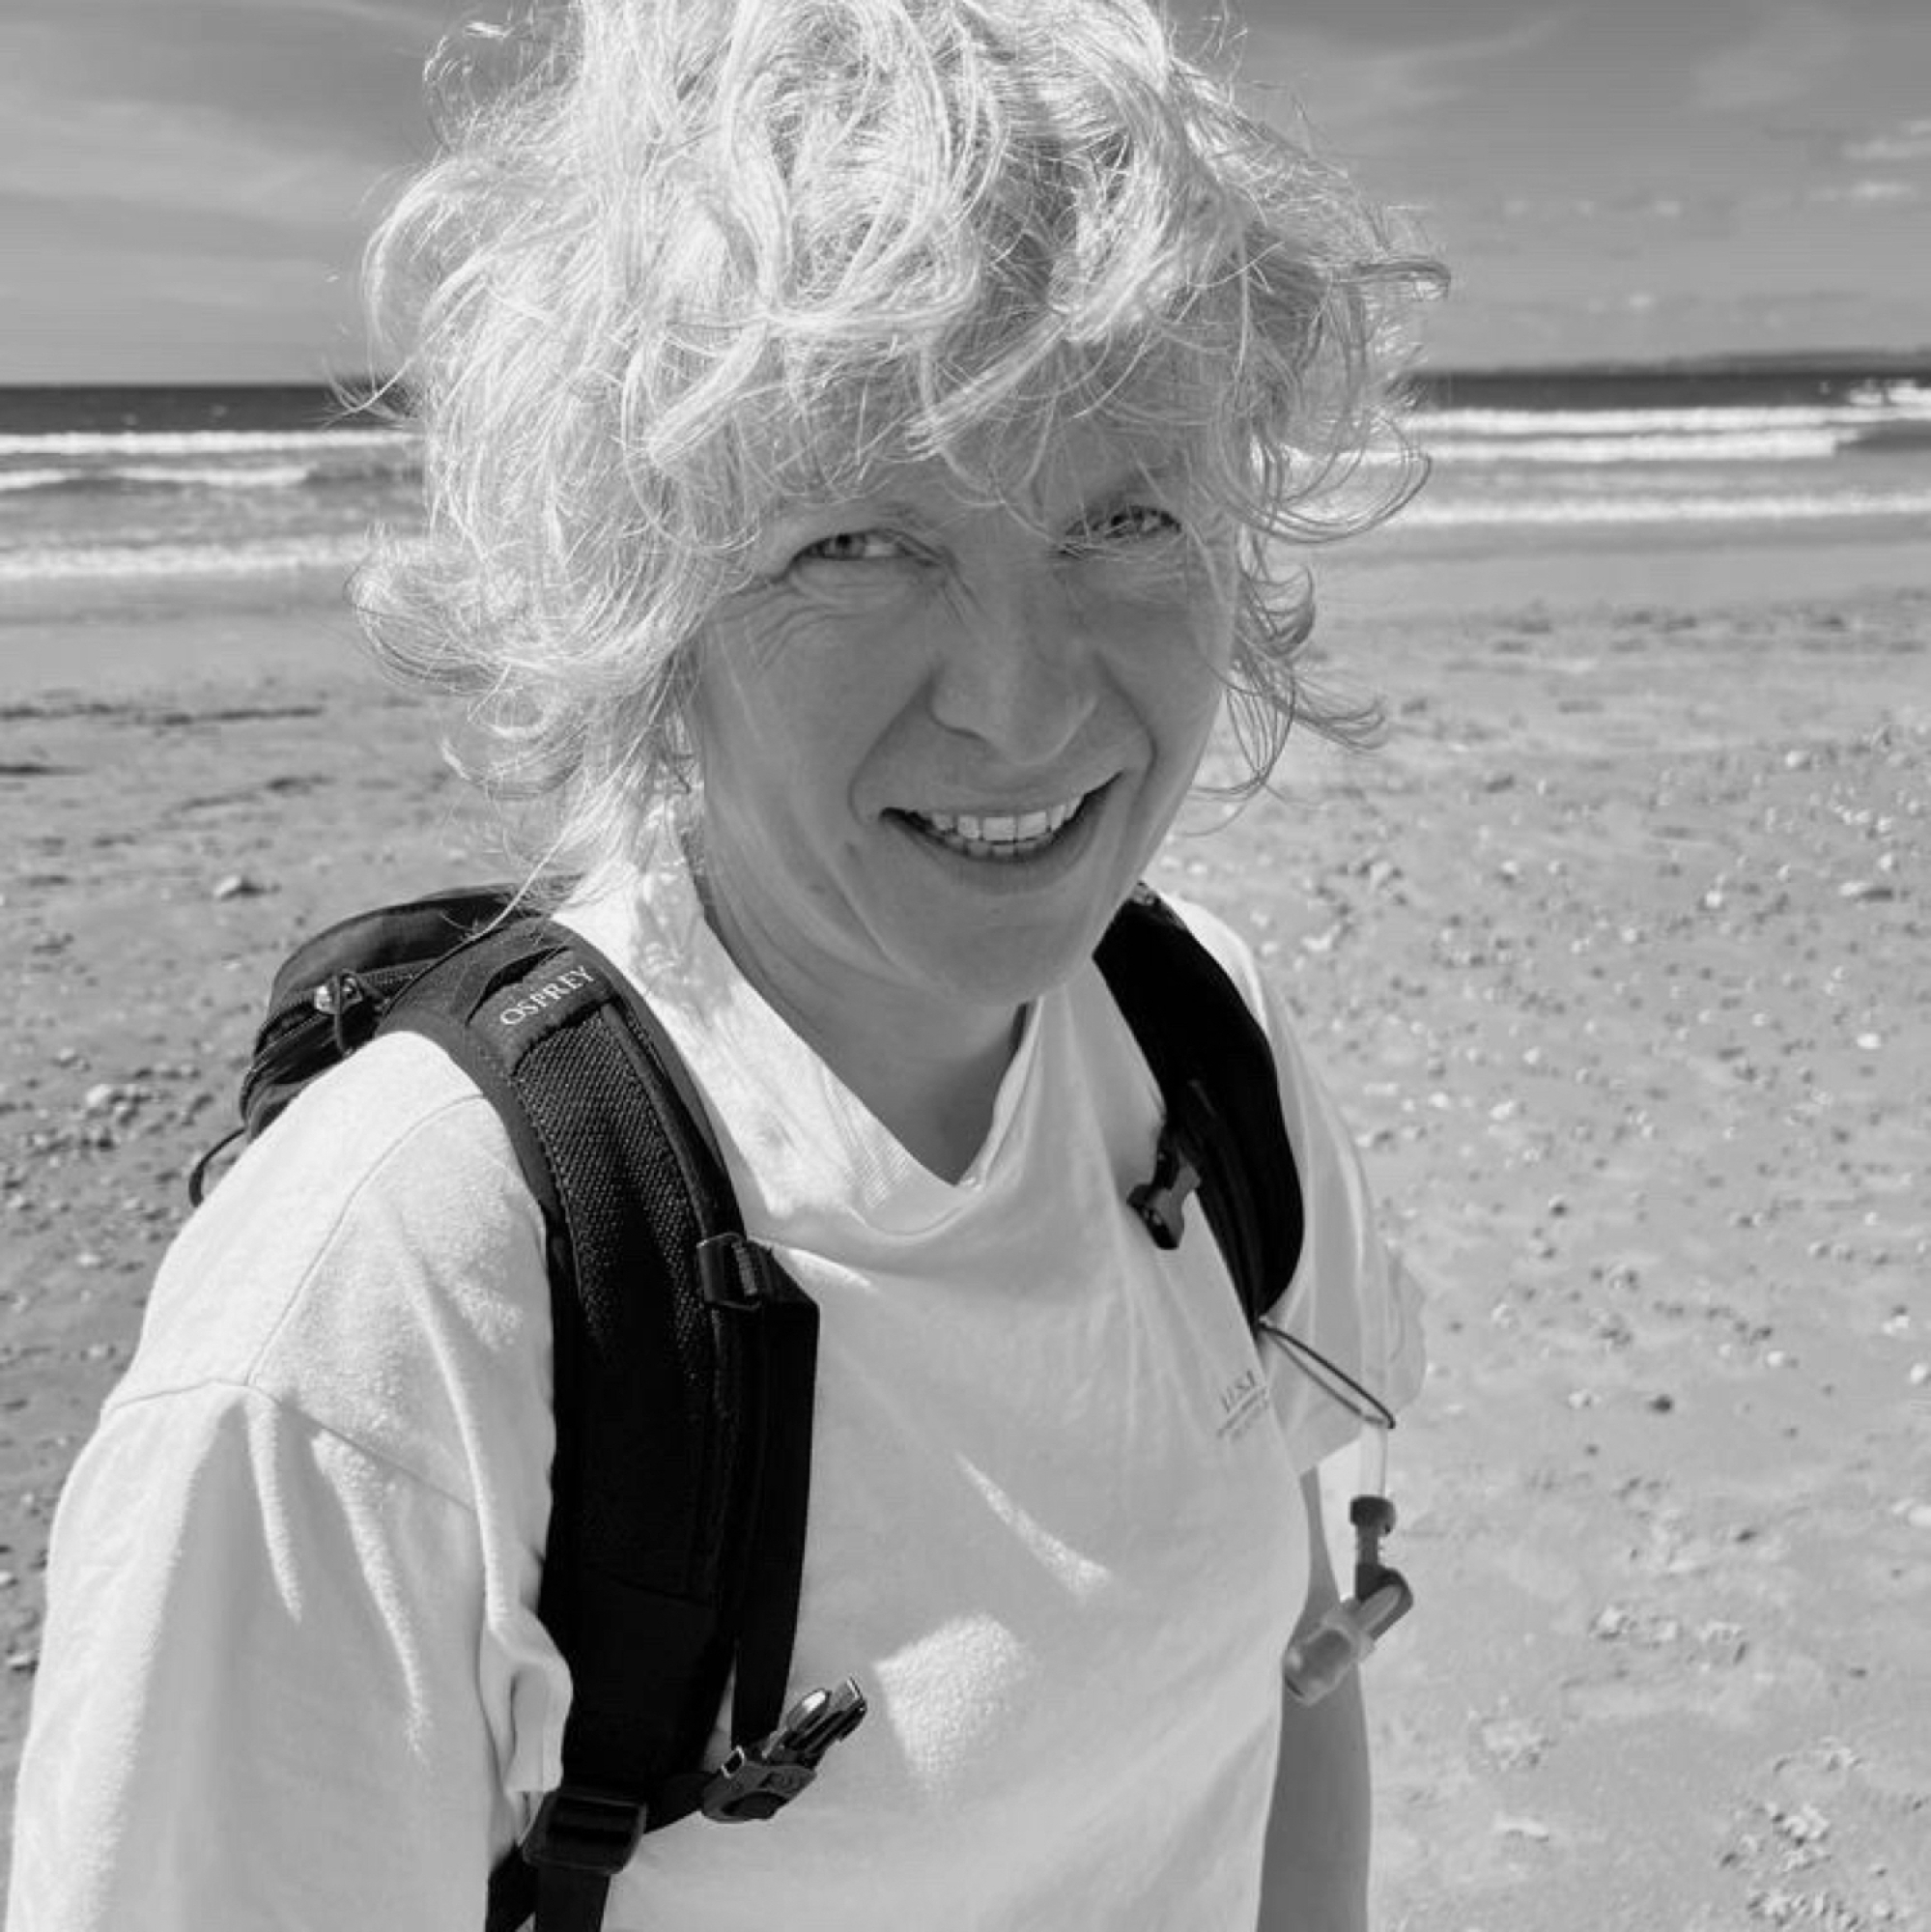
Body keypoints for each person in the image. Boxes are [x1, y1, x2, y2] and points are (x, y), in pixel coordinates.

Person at [6, 0, 1439, 1925]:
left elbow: (1290, 1673)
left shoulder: (1192, 1036)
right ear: (648, 583)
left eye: (1123, 513)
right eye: (859, 539)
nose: (1023, 707)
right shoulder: (383, 1319)